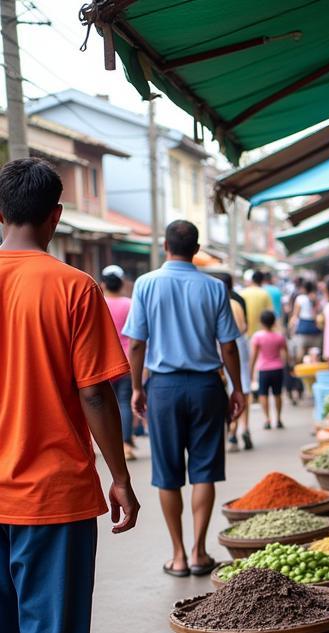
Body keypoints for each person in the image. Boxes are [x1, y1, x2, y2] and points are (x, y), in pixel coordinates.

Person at [0, 157, 140, 633]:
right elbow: (95, 392)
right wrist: (120, 476)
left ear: (1, 213)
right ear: (56, 216)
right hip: (49, 497)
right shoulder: (71, 287)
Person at [123, 220, 244, 578]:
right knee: (204, 469)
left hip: (164, 388)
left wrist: (137, 387)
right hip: (207, 387)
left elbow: (135, 343)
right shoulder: (214, 287)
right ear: (197, 249)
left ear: (165, 246)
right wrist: (237, 388)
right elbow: (229, 346)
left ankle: (176, 555)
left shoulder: (146, 285)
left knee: (167, 473)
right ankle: (198, 551)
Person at [211, 271, 253, 453]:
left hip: (221, 346)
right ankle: (244, 428)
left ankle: (232, 430)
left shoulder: (214, 303)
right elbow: (243, 327)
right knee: (242, 385)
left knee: (226, 386)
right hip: (240, 344)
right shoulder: (236, 303)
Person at [100, 268, 136, 462]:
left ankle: (109, 446)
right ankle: (127, 444)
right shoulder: (130, 304)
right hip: (126, 362)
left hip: (103, 362)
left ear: (103, 284)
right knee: (124, 404)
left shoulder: (99, 303)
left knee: (104, 405)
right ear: (121, 284)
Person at [250, 309, 290, 429]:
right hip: (277, 369)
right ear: (273, 322)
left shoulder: (257, 336)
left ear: (261, 322)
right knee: (277, 394)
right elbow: (285, 354)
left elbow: (254, 355)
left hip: (263, 370)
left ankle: (267, 419)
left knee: (263, 395)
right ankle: (278, 419)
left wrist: (251, 370)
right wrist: (286, 365)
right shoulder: (279, 336)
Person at [240, 269, 273, 338]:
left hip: (245, 331)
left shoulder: (242, 293)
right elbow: (270, 312)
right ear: (262, 281)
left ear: (252, 280)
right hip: (261, 332)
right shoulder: (265, 294)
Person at [291, 278, 321, 354]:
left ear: (304, 288)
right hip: (315, 329)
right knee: (314, 354)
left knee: (301, 353)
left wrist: (291, 328)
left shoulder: (300, 298)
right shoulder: (316, 298)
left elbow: (295, 316)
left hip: (303, 329)